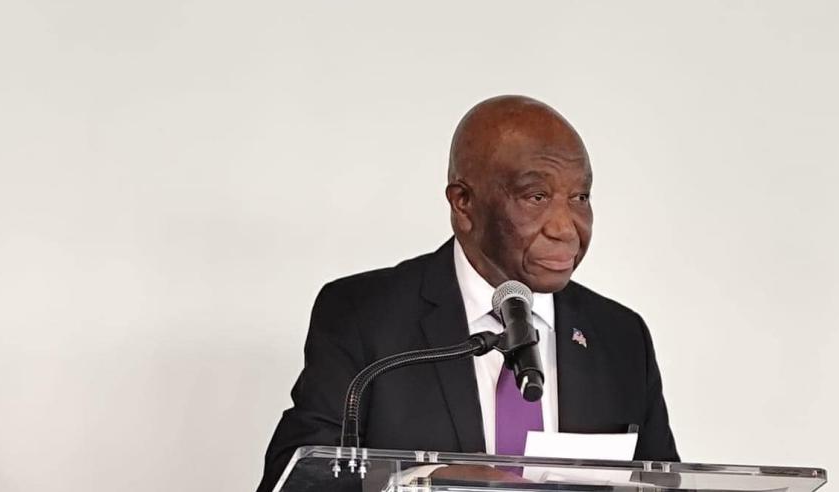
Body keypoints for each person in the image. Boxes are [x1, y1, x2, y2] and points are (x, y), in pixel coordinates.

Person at [256, 95, 677, 492]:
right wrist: (426, 481)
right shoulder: (363, 316)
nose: (566, 228)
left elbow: (665, 483)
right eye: (537, 197)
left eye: (580, 197)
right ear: (463, 204)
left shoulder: (619, 337)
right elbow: (293, 478)